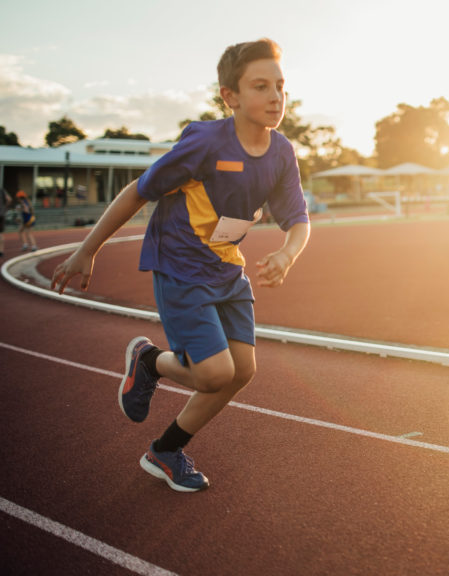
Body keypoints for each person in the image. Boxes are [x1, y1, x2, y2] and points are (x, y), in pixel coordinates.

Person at [50, 38, 311, 492]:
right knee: (215, 373)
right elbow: (138, 190)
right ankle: (149, 360)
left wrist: (288, 253)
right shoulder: (204, 143)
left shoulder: (281, 152)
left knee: (243, 371)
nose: (275, 97)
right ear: (230, 96)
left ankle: (165, 450)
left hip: (228, 268)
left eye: (281, 86)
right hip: (180, 267)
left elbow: (298, 220)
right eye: (261, 86)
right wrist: (88, 249)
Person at [0, 188, 11, 257]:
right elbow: (9, 199)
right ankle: (1, 251)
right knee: (0, 233)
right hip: (2, 213)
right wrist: (5, 207)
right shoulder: (2, 190)